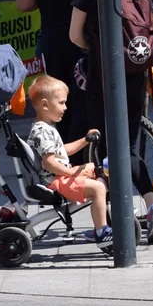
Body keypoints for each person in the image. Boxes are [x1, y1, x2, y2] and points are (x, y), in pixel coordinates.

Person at [70, 0, 153, 243]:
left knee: (107, 148)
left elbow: (75, 36)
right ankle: (148, 208)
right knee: (125, 145)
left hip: (104, 78)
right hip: (136, 74)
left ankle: (126, 217)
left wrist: (99, 51)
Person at [16, 0, 93, 146]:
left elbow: (23, 3)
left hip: (53, 41)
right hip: (84, 38)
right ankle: (85, 145)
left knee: (59, 97)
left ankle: (67, 145)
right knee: (85, 97)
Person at [26, 75, 110, 246]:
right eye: (61, 103)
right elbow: (49, 163)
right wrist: (71, 172)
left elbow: (62, 151)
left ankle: (104, 213)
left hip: (60, 177)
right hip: (56, 181)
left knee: (101, 168)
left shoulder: (47, 127)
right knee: (98, 187)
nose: (65, 107)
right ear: (45, 104)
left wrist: (85, 139)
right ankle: (101, 232)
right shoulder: (42, 131)